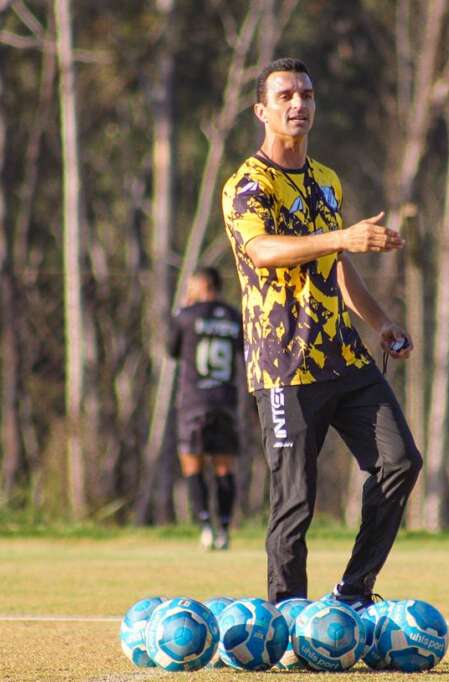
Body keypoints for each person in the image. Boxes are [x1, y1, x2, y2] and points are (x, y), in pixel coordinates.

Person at [221, 57, 422, 607]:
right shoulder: (247, 184)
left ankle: (352, 595)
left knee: (400, 461)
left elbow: (337, 262)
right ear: (261, 110)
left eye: (306, 95)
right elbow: (261, 251)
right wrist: (341, 237)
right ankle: (286, 618)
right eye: (285, 95)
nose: (298, 104)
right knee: (295, 501)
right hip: (285, 366)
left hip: (344, 358)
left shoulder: (326, 181)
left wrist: (380, 323)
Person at [167, 266, 244, 550]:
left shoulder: (186, 316)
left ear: (202, 285)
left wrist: (183, 311)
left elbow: (171, 349)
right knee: (224, 466)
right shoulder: (234, 317)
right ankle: (224, 527)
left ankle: (205, 526)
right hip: (225, 398)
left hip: (194, 400)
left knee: (192, 462)